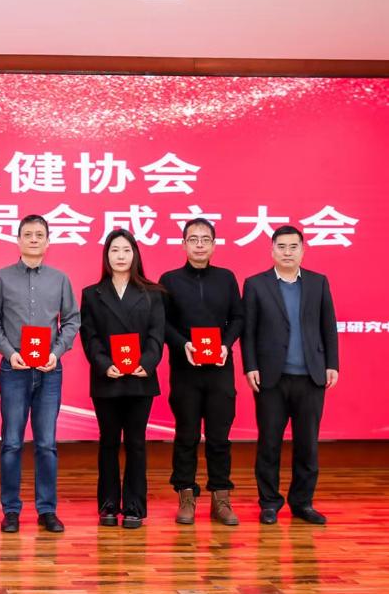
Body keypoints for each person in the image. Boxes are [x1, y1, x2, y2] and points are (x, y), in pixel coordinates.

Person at [0, 214, 79, 533]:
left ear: (48, 242)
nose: (34, 239)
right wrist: (10, 353)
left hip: (50, 370)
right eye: (28, 234)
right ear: (18, 240)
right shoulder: (0, 278)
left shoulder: (60, 279)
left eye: (40, 235)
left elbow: (72, 321)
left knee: (46, 443)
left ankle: (46, 510)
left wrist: (56, 352)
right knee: (12, 442)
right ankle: (11, 510)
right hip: (14, 370)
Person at [241, 225, 339, 525]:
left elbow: (328, 326)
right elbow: (248, 331)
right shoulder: (256, 284)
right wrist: (250, 366)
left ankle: (302, 503)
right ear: (272, 250)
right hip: (271, 378)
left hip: (311, 377)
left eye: (293, 246)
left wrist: (332, 364)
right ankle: (269, 503)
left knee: (307, 444)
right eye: (281, 246)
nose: (287, 252)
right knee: (269, 443)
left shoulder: (318, 282)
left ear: (303, 249)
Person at [159, 218, 243, 525]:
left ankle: (221, 498)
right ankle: (186, 496)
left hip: (220, 367)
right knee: (187, 435)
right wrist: (183, 345)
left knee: (219, 436)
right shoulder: (169, 280)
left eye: (205, 239)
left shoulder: (226, 278)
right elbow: (161, 323)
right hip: (186, 369)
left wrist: (226, 345)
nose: (199, 245)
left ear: (214, 245)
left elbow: (238, 317)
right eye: (193, 239)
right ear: (183, 244)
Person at [79, 229, 165, 529]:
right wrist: (104, 364)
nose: (120, 256)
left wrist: (147, 363)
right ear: (106, 256)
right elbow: (89, 336)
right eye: (114, 250)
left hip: (140, 378)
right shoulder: (92, 293)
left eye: (126, 250)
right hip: (108, 378)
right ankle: (108, 505)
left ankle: (134, 506)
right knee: (109, 442)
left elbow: (156, 335)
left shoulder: (153, 293)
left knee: (136, 443)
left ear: (135, 255)